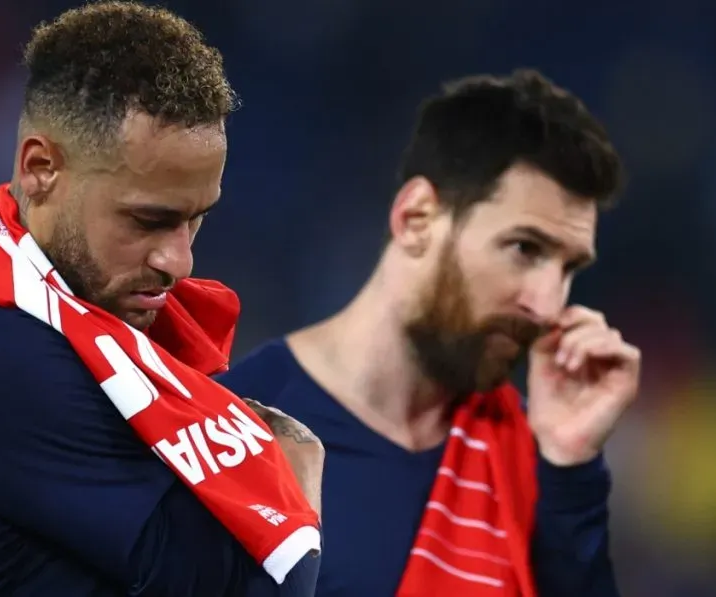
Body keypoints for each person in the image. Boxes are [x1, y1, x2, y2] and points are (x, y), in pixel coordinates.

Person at [0, 3, 324, 596]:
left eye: (195, 219)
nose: (180, 263)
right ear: (41, 169)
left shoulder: (96, 337)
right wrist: (295, 475)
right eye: (148, 219)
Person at [218, 69, 637, 597]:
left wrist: (570, 467)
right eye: (524, 248)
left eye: (569, 268)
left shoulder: (535, 456)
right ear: (416, 218)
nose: (548, 305)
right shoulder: (235, 430)